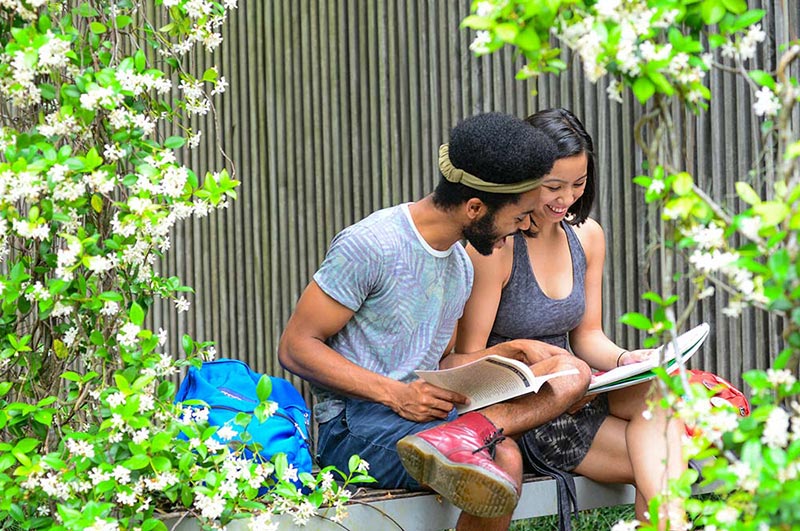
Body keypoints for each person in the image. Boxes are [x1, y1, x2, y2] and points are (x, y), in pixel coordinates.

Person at [278, 112, 591, 531]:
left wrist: (508, 353)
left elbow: (438, 365)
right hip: (353, 424)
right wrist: (396, 394)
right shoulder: (372, 244)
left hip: (427, 416)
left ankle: (466, 437)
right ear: (475, 207)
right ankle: (470, 440)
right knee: (502, 457)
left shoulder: (459, 265)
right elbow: (296, 346)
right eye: (518, 218)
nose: (521, 230)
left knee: (571, 372)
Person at [456, 108, 687, 528]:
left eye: (578, 184)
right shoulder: (498, 247)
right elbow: (468, 357)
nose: (566, 199)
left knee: (661, 397)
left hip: (583, 394)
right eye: (553, 187)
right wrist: (547, 374)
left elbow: (588, 335)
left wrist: (623, 360)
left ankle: (668, 520)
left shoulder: (587, 236)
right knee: (662, 465)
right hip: (530, 410)